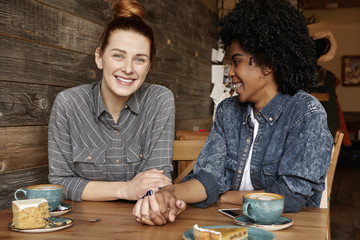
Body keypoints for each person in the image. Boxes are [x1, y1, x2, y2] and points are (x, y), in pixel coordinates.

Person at [133, 0, 333, 226]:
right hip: (232, 227)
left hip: (291, 231)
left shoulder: (306, 113)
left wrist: (230, 197)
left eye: (236, 62)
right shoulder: (228, 111)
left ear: (267, 64)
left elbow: (290, 197)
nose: (230, 72)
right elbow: (208, 178)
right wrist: (170, 193)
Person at [48, 0, 174, 202]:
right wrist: (125, 189)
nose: (128, 68)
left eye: (139, 59)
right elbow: (59, 183)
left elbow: (157, 180)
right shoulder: (69, 104)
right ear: (99, 57)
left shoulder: (159, 100)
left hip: (141, 222)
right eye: (118, 56)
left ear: (149, 66)